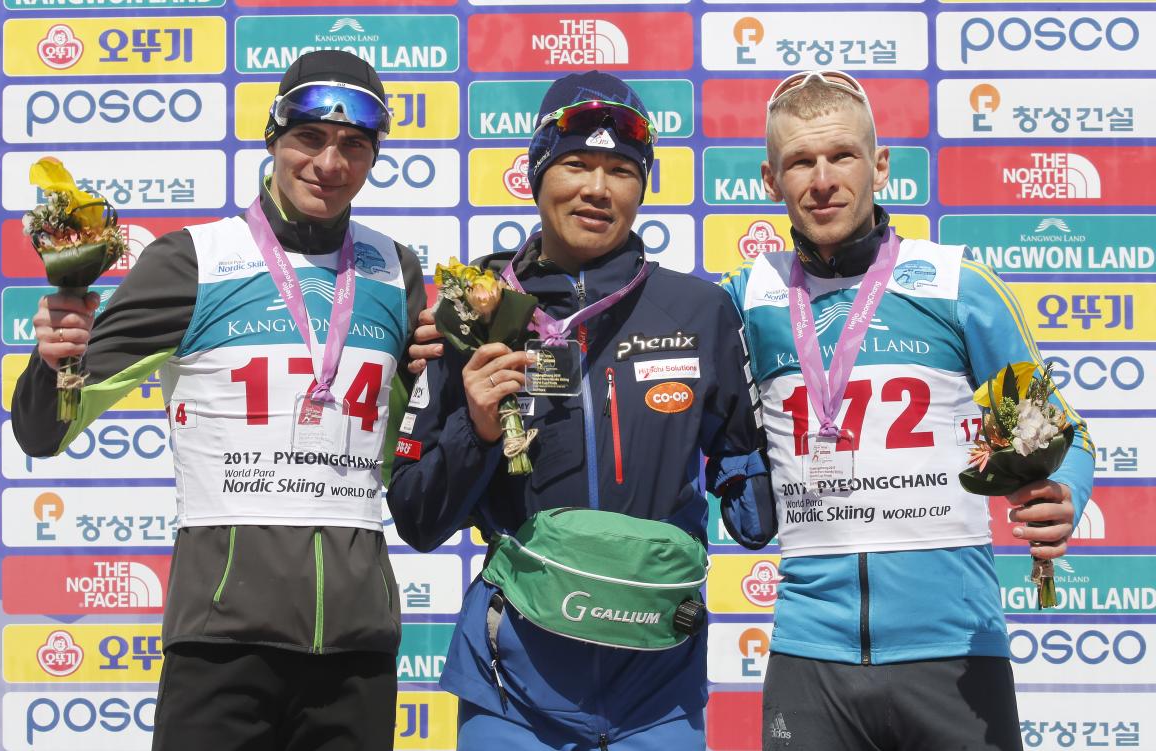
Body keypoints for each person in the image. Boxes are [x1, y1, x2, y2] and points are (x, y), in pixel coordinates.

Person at [11, 50, 427, 751]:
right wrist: (53, 362)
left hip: (357, 647)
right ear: (273, 139)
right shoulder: (193, 259)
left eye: (354, 145)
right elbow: (43, 432)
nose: (330, 163)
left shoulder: (396, 271)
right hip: (223, 642)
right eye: (310, 138)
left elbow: (406, 445)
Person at [388, 71, 774, 750]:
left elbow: (754, 506)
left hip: (659, 688)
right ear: (535, 174)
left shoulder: (698, 311)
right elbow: (417, 516)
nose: (597, 188)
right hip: (515, 690)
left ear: (643, 187)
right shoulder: (471, 307)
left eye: (622, 170)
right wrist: (475, 431)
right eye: (575, 163)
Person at [717, 70, 1095, 750]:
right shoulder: (746, 298)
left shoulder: (957, 286)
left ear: (880, 166)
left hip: (955, 653)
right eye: (800, 161)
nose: (823, 179)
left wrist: (1066, 488)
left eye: (843, 156)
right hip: (811, 659)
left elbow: (1061, 431)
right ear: (771, 182)